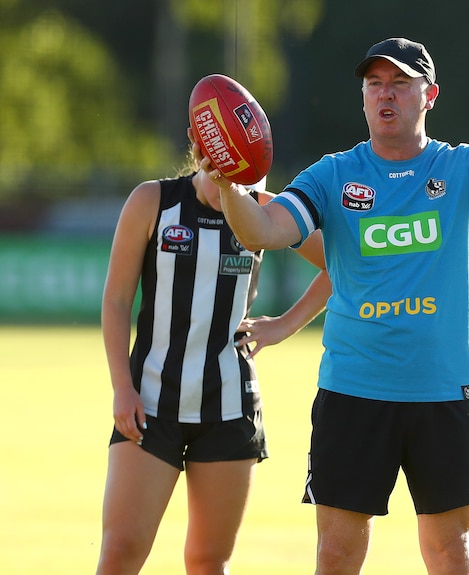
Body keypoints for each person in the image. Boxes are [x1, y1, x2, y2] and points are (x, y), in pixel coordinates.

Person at [198, 36, 469, 575]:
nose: (385, 94)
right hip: (353, 392)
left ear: (431, 95)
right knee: (336, 555)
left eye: (400, 82)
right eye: (374, 83)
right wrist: (230, 184)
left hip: (443, 393)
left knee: (450, 554)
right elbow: (267, 228)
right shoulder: (333, 175)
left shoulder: (462, 169)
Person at [96, 139, 330, 574]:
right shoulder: (153, 200)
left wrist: (285, 325)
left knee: (207, 561)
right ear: (197, 144)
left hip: (229, 409)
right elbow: (116, 300)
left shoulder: (265, 207)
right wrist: (121, 387)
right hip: (150, 404)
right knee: (121, 552)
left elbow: (342, 263)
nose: (233, 181)